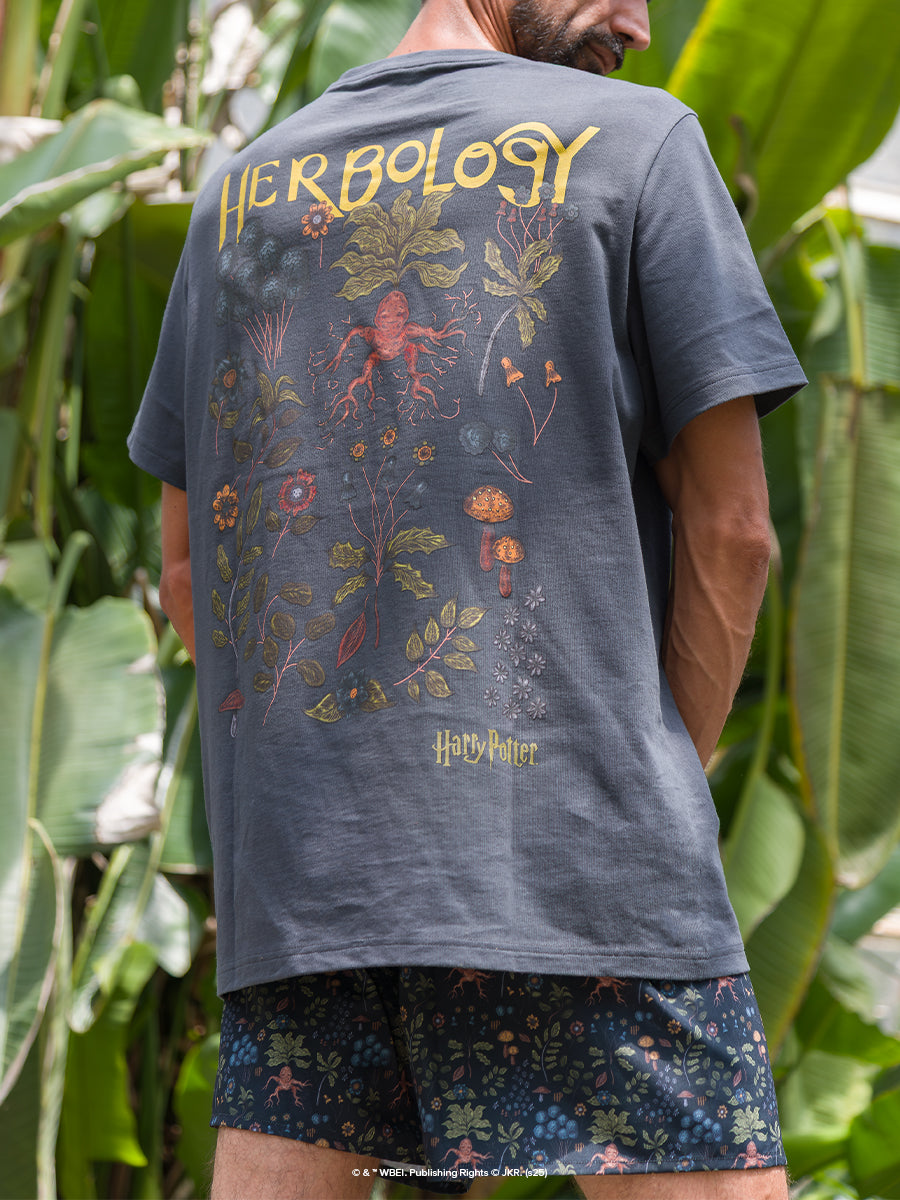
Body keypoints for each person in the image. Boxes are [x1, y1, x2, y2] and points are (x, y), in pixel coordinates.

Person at [129, 1, 807, 1195]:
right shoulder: (637, 142)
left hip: (313, 895)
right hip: (587, 877)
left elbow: (192, 570)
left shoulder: (239, 192)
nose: (639, 26)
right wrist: (644, 791)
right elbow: (733, 528)